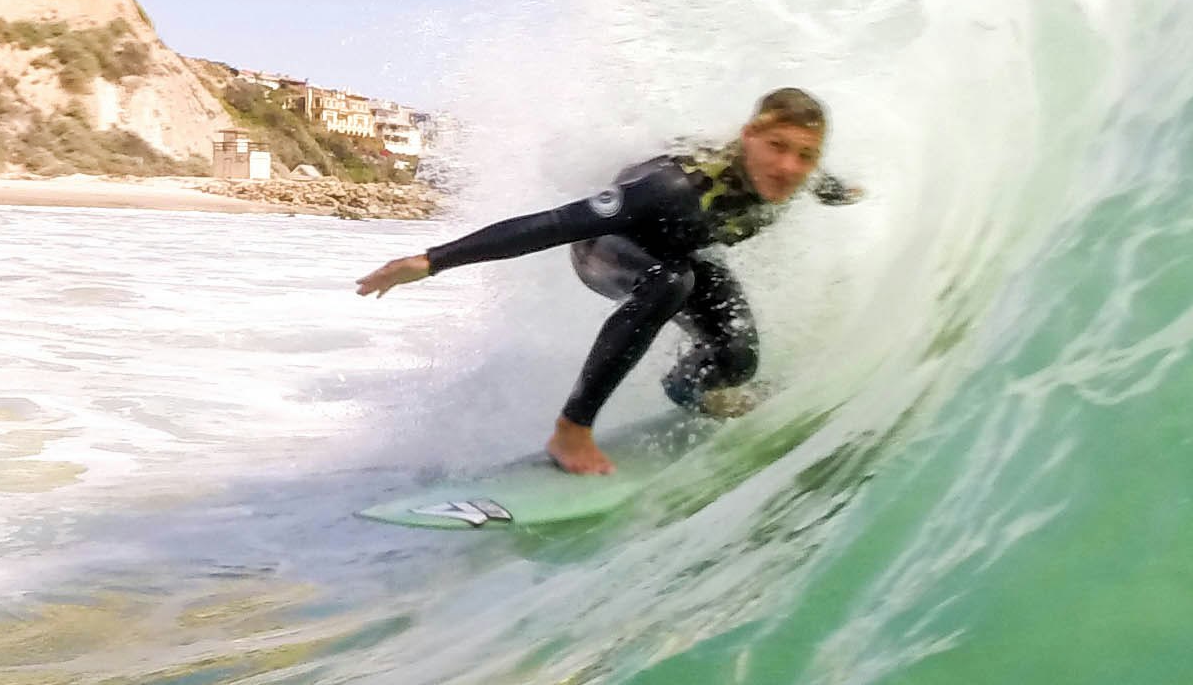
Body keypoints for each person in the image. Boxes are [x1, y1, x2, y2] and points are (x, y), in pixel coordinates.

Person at [356, 86, 864, 477]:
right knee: (670, 283)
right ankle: (571, 430)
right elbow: (559, 223)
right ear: (749, 135)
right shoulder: (673, 186)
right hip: (606, 249)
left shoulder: (796, 174)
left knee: (737, 359)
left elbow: (822, 182)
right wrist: (432, 260)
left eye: (804, 155)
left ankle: (691, 391)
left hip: (679, 250)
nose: (787, 166)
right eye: (776, 146)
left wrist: (847, 193)